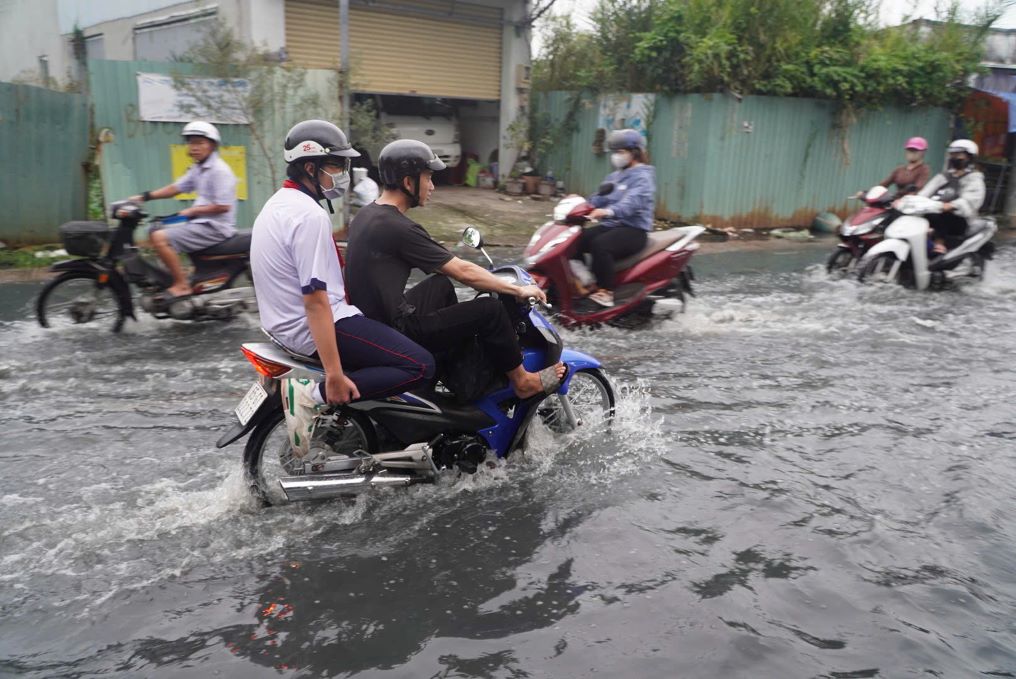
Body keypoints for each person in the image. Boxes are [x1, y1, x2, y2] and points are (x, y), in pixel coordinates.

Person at [250, 120, 435, 458]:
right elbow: (317, 302)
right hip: (317, 326)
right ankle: (313, 396)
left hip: (283, 326)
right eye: (336, 165)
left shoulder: (277, 205)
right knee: (420, 365)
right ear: (311, 167)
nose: (343, 173)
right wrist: (333, 376)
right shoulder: (309, 217)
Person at [344, 139, 565, 401]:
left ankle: (450, 380)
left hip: (374, 321)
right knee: (489, 310)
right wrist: (516, 289)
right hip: (394, 331)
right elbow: (464, 272)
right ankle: (523, 381)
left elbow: (448, 269)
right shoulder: (399, 228)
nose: (433, 186)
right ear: (408, 182)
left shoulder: (368, 215)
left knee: (440, 285)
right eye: (428, 178)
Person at [129, 121, 238, 298]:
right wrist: (144, 197)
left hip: (215, 227)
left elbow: (224, 206)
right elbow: (176, 188)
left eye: (199, 143)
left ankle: (181, 285)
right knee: (155, 227)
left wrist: (192, 211)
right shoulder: (199, 168)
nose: (194, 147)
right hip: (201, 222)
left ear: (212, 145)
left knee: (160, 238)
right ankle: (173, 276)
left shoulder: (219, 170)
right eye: (191, 142)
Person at [576, 129, 655, 307]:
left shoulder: (643, 177)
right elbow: (599, 196)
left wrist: (608, 211)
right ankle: (584, 283)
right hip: (612, 226)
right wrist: (581, 206)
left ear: (634, 153)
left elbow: (632, 202)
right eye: (615, 152)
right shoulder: (615, 176)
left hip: (634, 230)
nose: (616, 156)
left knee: (601, 245)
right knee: (574, 241)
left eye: (620, 152)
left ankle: (606, 291)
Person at [919, 139, 985, 255]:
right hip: (936, 212)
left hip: (960, 220)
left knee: (946, 214)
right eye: (952, 154)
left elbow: (970, 201)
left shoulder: (974, 178)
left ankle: (940, 243)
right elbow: (925, 192)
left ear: (969, 157)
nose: (954, 157)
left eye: (959, 154)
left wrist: (951, 205)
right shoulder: (944, 176)